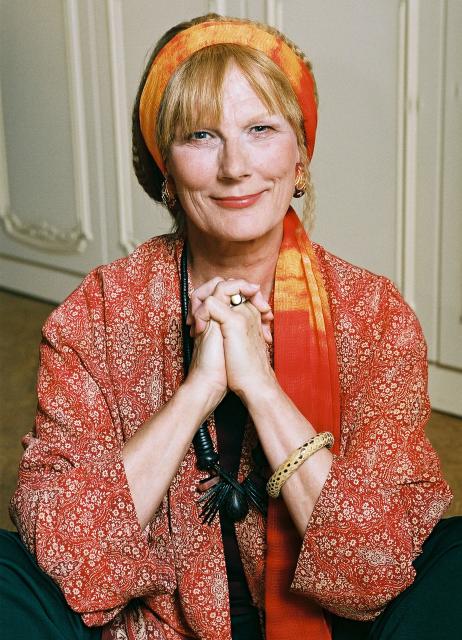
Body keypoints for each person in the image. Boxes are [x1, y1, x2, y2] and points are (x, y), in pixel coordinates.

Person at [0, 12, 460, 640]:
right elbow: (70, 562)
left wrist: (262, 389)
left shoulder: (373, 314)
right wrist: (198, 390)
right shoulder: (98, 311)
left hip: (332, 622)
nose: (235, 166)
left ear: (300, 158)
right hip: (151, 622)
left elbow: (371, 570)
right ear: (166, 168)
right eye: (201, 136)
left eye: (260, 129)